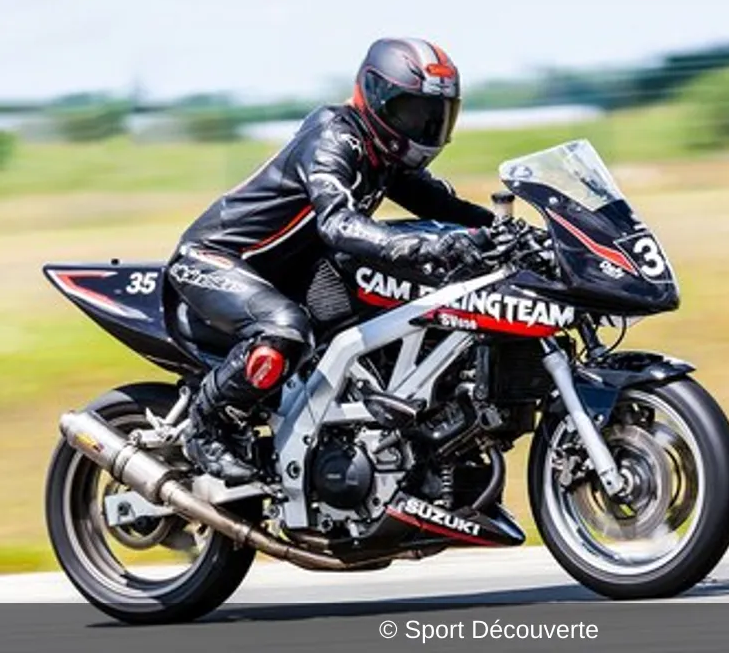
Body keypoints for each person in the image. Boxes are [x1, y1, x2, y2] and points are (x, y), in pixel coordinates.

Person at [168, 37, 497, 484]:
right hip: (216, 259)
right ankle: (207, 425)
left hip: (288, 272)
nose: (424, 127)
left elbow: (443, 205)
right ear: (375, 95)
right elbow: (338, 225)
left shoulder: (385, 156)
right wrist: (429, 247)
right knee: (284, 328)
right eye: (412, 113)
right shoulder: (334, 138)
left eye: (435, 116)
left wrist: (506, 232)